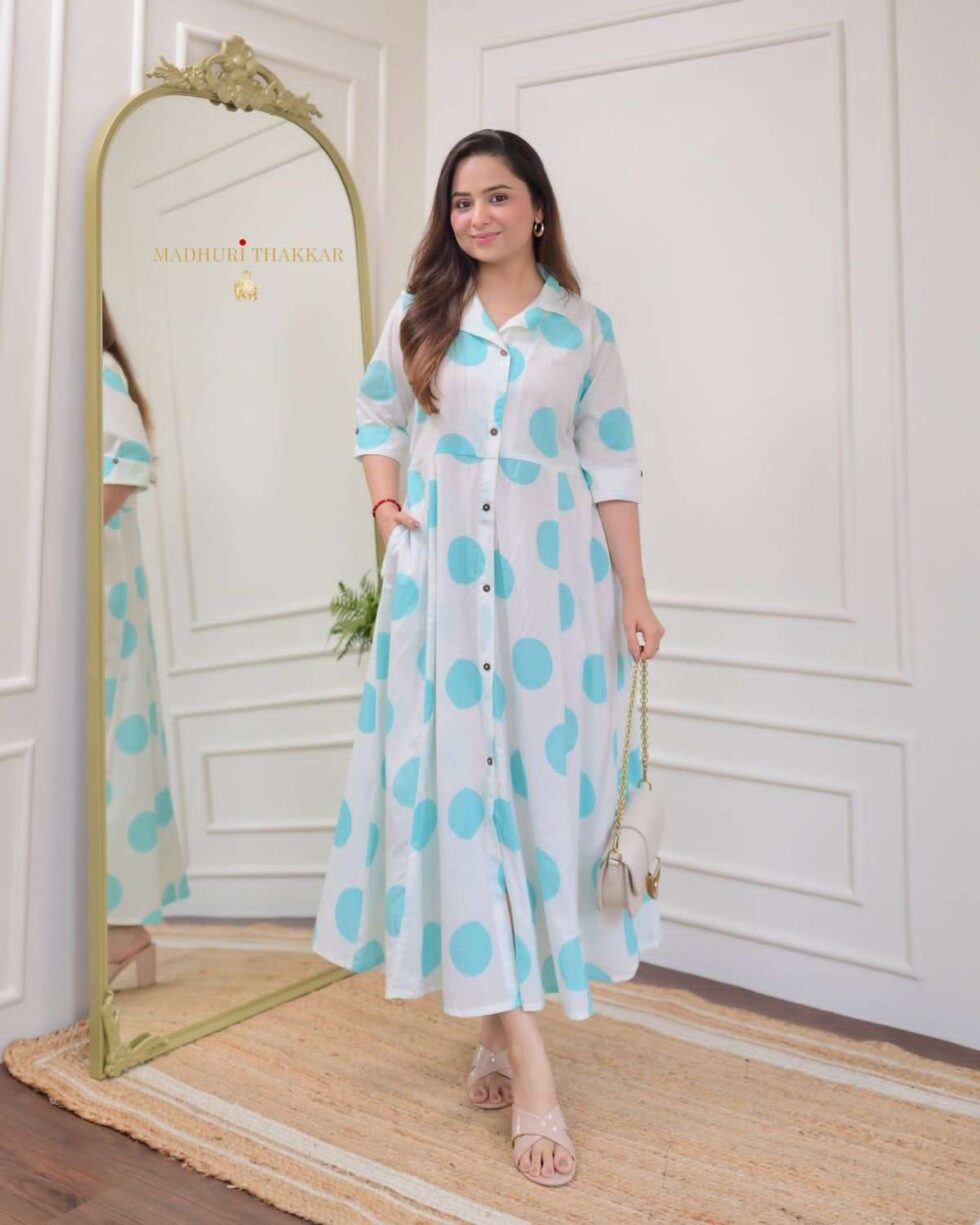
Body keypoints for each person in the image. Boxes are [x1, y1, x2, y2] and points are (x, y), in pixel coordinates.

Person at [312, 129, 665, 1187]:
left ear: (536, 207)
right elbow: (375, 416)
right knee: (464, 800)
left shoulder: (582, 330)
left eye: (497, 197)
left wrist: (635, 591)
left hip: (554, 605)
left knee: (529, 806)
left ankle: (491, 1026)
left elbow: (610, 463)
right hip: (443, 601)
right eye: (462, 202)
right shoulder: (421, 314)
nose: (477, 217)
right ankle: (533, 1072)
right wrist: (386, 511)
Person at [102, 296, 189, 987]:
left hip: (98, 596)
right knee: (104, 756)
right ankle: (118, 930)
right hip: (93, 598)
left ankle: (122, 931)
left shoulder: (95, 370)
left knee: (111, 755)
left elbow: (128, 459)